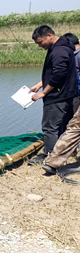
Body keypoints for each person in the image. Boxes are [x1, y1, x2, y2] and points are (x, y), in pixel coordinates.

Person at [27, 25, 76, 165]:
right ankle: (61, 153)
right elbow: (55, 72)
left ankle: (48, 156)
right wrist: (40, 84)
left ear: (49, 35)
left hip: (57, 96)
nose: (40, 46)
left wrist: (44, 92)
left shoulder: (59, 51)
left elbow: (58, 75)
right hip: (65, 94)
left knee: (50, 127)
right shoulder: (60, 47)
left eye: (40, 42)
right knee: (62, 126)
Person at [42, 33, 80, 175]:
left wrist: (44, 92)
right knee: (74, 127)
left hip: (65, 96)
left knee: (73, 128)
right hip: (73, 96)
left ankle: (52, 161)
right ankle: (53, 162)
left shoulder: (64, 51)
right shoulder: (66, 51)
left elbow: (60, 74)